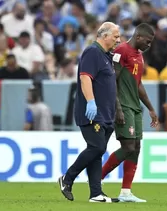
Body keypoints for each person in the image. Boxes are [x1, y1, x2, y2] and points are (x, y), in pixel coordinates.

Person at [58, 22, 121, 203]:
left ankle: (96, 193)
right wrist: (91, 102)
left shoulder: (106, 56)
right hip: (94, 112)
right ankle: (67, 178)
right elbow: (85, 77)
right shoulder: (92, 52)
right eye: (115, 36)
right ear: (104, 36)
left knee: (97, 152)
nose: (119, 39)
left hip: (107, 113)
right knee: (97, 147)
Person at [101, 23, 158, 203]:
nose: (149, 45)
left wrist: (150, 108)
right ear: (138, 37)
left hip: (135, 107)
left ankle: (125, 192)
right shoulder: (121, 51)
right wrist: (117, 107)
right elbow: (113, 81)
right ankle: (96, 179)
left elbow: (138, 84)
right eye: (147, 42)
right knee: (128, 147)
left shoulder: (139, 56)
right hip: (123, 106)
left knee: (136, 148)